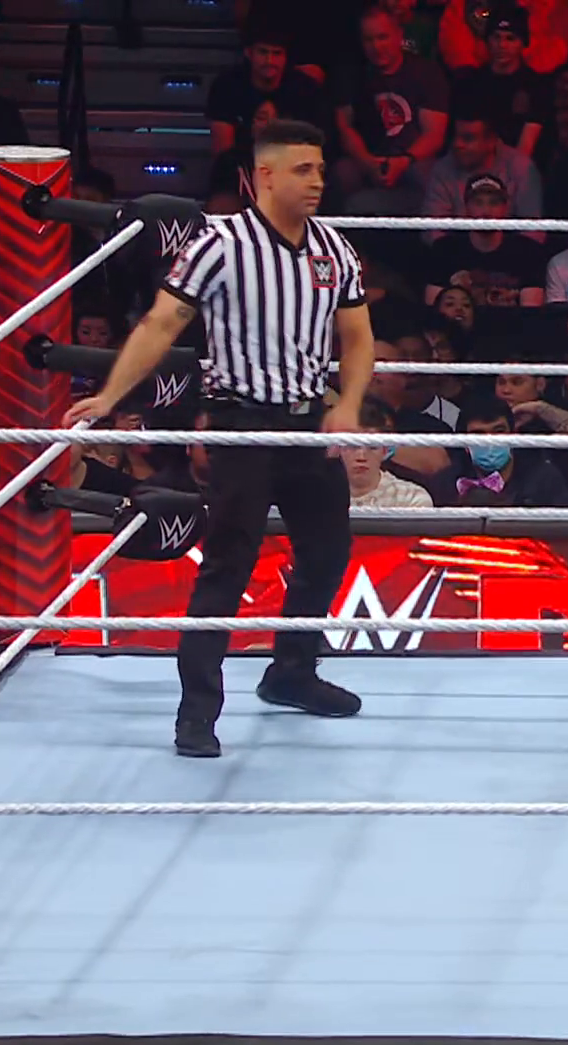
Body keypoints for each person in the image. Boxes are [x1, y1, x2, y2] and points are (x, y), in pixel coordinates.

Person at [64, 119, 375, 759]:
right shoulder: (220, 244)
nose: (317, 181)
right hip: (242, 424)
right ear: (265, 176)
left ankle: (292, 672)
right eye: (302, 170)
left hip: (308, 424)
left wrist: (346, 404)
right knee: (228, 565)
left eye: (320, 169)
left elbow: (358, 337)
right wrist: (111, 397)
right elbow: (161, 323)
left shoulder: (334, 248)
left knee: (326, 553)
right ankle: (197, 712)